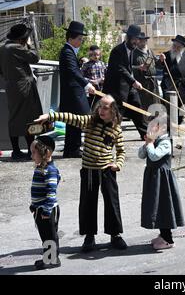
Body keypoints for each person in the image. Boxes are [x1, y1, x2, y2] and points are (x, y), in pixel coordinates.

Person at [34, 95, 127, 253]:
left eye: (105, 107)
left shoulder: (116, 128)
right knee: (87, 204)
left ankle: (115, 234)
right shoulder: (90, 121)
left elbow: (121, 151)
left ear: (113, 111)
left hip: (107, 171)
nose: (101, 110)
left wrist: (118, 164)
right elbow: (70, 117)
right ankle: (89, 236)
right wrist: (49, 116)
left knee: (112, 203)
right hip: (89, 170)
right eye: (100, 106)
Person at [138, 113, 185, 250]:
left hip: (163, 181)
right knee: (155, 207)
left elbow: (154, 156)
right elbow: (141, 155)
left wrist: (150, 144)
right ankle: (162, 235)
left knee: (164, 208)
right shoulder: (154, 141)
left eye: (153, 126)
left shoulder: (165, 142)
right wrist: (146, 144)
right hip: (153, 179)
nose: (150, 129)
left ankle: (168, 239)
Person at [0, 23, 42, 160]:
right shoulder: (16, 47)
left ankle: (16, 150)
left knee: (14, 117)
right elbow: (35, 57)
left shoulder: (2, 47)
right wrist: (29, 45)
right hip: (24, 85)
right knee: (29, 117)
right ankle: (31, 151)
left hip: (11, 85)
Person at [103, 25, 147, 139]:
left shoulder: (132, 50)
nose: (136, 42)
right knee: (116, 114)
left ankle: (146, 134)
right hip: (116, 89)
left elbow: (128, 67)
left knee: (137, 108)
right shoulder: (117, 51)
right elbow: (120, 68)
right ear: (128, 38)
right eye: (134, 39)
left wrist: (132, 81)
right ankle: (108, 137)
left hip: (128, 88)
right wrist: (133, 81)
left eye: (137, 40)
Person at [59, 21, 96, 158]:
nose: (81, 42)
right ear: (71, 38)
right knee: (77, 120)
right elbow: (73, 72)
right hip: (73, 93)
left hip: (74, 93)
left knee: (74, 121)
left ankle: (72, 149)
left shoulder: (70, 52)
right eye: (79, 39)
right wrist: (87, 84)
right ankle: (72, 149)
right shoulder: (67, 52)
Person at [29, 135, 61, 270]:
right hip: (40, 208)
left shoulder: (50, 170)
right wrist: (34, 205)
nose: (31, 156)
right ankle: (49, 257)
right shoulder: (41, 167)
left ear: (46, 153)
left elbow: (51, 193)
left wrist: (47, 210)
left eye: (34, 152)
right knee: (45, 235)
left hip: (47, 209)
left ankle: (52, 260)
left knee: (49, 236)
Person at [132, 32, 160, 111]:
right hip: (142, 82)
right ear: (137, 41)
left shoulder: (150, 52)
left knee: (155, 102)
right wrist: (138, 67)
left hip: (153, 82)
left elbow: (158, 65)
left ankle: (156, 121)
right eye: (140, 41)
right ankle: (146, 121)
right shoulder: (133, 53)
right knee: (145, 103)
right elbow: (127, 67)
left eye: (144, 41)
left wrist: (161, 60)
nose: (143, 43)